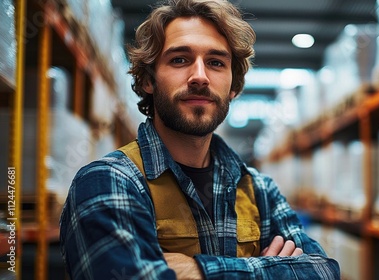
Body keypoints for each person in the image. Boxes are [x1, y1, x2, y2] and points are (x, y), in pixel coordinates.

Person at [59, 0, 340, 279]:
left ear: (233, 86)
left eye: (216, 62)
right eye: (180, 59)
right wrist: (271, 270)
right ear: (148, 79)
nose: (200, 77)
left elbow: (323, 271)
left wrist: (195, 270)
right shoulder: (107, 181)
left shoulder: (259, 191)